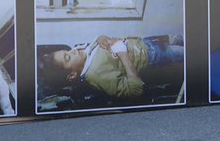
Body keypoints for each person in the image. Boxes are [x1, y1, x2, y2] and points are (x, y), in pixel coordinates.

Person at [39, 34, 184, 100]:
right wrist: (123, 54)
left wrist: (101, 38)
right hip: (153, 55)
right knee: (190, 51)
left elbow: (98, 49)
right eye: (68, 57)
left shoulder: (82, 54)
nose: (73, 50)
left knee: (182, 39)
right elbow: (135, 90)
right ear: (72, 75)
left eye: (67, 50)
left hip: (145, 42)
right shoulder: (97, 75)